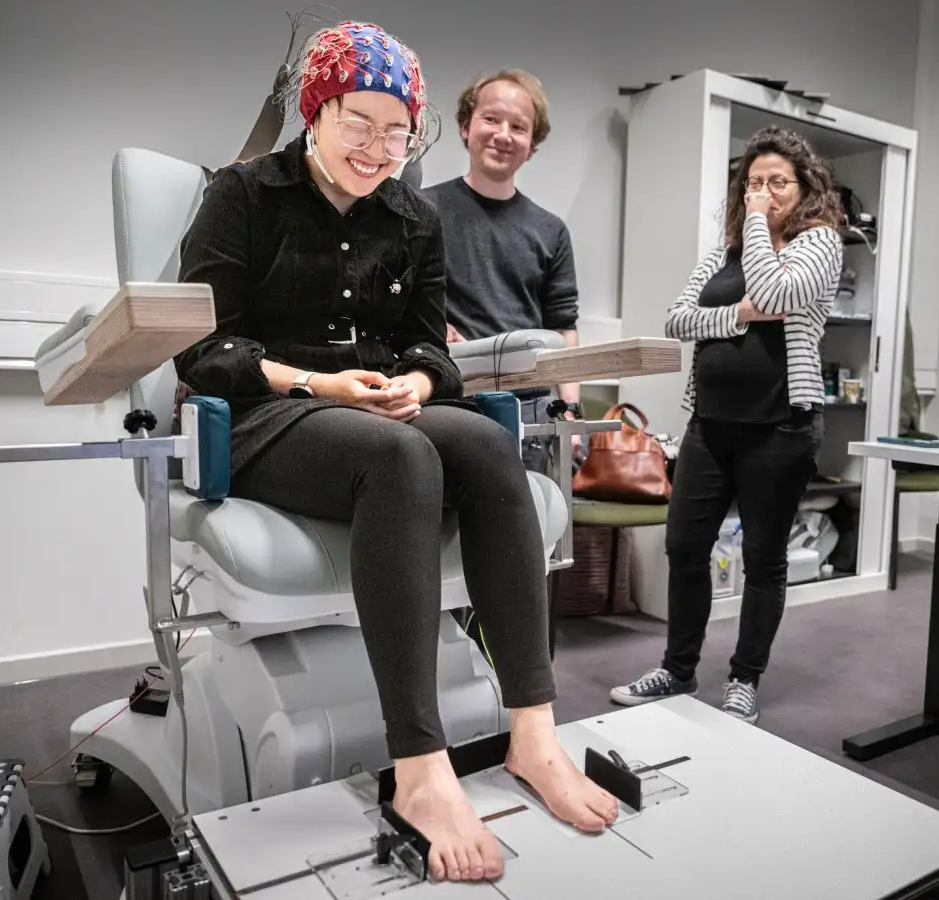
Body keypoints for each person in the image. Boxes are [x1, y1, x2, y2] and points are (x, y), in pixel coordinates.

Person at [172, 21, 616, 884]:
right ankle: (421, 769)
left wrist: (418, 380)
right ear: (315, 110)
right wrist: (319, 384)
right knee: (404, 462)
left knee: (489, 448)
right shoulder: (243, 195)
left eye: (398, 130)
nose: (380, 148)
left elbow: (432, 348)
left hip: (380, 405)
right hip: (273, 412)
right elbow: (203, 352)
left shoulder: (414, 216)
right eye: (359, 124)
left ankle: (533, 734)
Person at [608, 125, 844, 724]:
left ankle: (744, 678)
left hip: (781, 426)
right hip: (710, 424)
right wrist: (738, 314)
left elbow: (775, 287)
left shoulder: (820, 243)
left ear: (804, 188)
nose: (762, 191)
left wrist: (761, 228)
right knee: (685, 546)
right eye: (754, 183)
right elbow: (678, 320)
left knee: (765, 558)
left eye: (777, 182)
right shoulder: (722, 253)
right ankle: (678, 670)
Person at [422, 68, 582, 474]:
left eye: (519, 127)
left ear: (532, 146)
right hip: (450, 397)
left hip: (530, 407)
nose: (503, 134)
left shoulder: (551, 230)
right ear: (465, 126)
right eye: (491, 119)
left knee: (528, 530)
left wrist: (571, 409)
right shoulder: (421, 211)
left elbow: (564, 326)